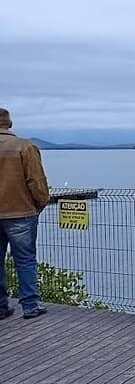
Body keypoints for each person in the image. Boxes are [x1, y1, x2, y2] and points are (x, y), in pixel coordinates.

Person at [0, 108, 50, 320]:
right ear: (9, 123)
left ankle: (1, 306)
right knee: (25, 259)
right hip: (20, 212)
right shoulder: (25, 146)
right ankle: (30, 305)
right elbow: (36, 181)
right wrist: (41, 203)